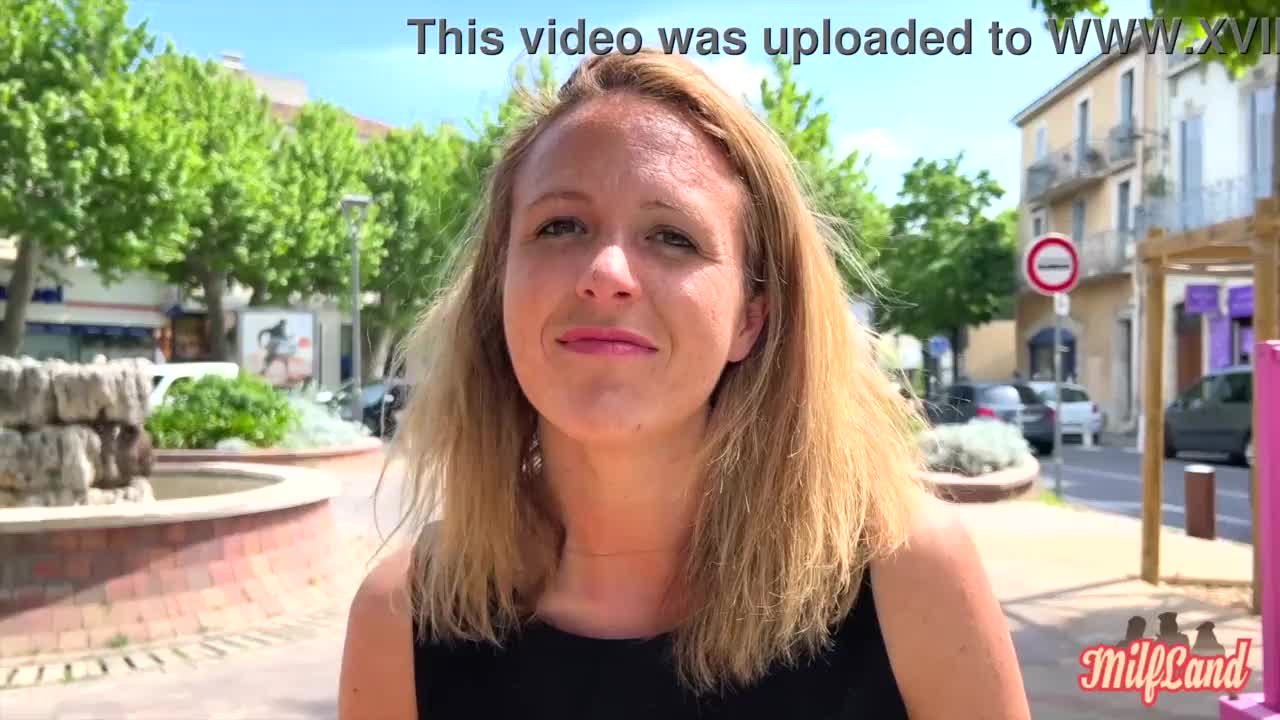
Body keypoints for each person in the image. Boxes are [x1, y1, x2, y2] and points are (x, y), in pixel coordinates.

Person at [338, 49, 1030, 719]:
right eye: (560, 225)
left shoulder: (907, 578)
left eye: (672, 236)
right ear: (499, 290)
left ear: (749, 319)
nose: (606, 272)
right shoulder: (398, 620)